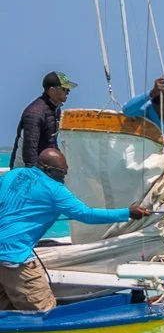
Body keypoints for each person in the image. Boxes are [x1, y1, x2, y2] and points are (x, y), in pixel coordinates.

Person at [0, 148, 150, 311]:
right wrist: (128, 212)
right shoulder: (55, 190)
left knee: (6, 308)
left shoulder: (13, 175)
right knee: (45, 312)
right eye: (61, 173)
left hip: (6, 255)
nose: (63, 178)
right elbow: (87, 214)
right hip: (14, 258)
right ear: (48, 170)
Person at [11, 71, 74, 170]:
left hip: (42, 166)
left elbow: (51, 141)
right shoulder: (34, 113)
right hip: (24, 169)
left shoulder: (56, 109)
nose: (68, 92)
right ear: (52, 90)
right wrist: (35, 176)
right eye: (64, 89)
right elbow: (29, 149)